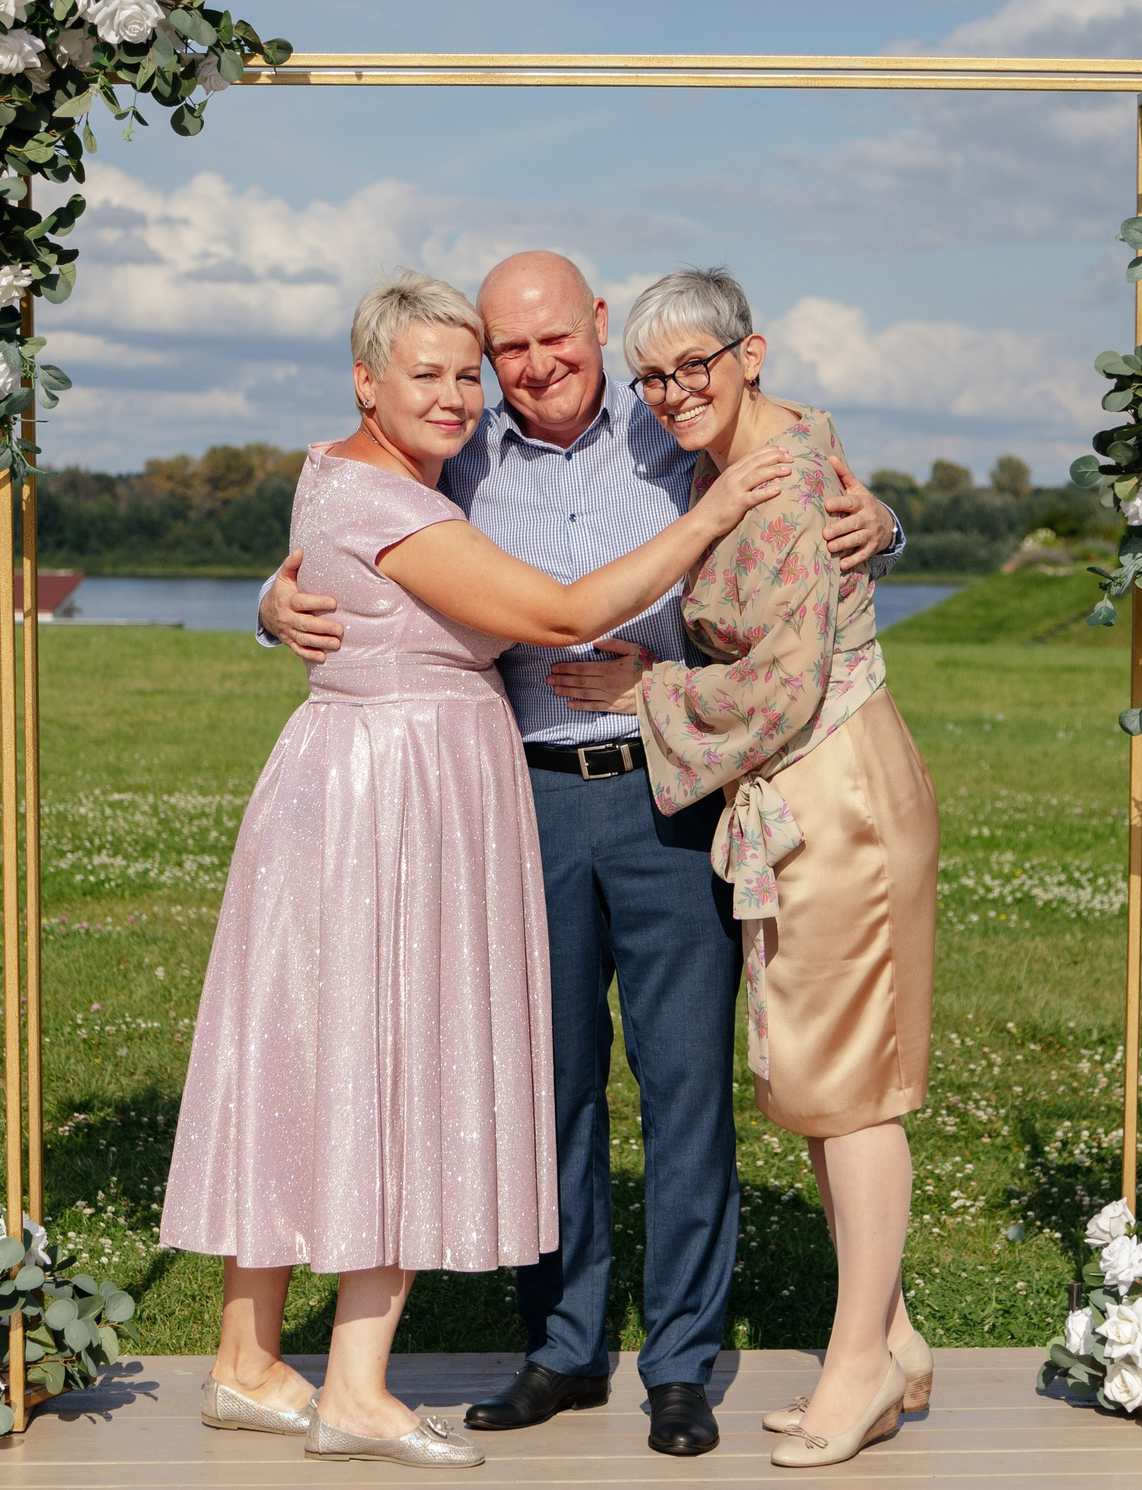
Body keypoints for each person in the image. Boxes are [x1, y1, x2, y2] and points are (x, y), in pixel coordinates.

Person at [257, 251, 903, 1458]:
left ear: (598, 326)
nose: (535, 365)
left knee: (683, 1087)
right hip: (521, 802)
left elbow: (816, 507)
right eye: (511, 349)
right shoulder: (458, 449)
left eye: (556, 338)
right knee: (542, 1084)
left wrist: (888, 521)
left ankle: (679, 1361)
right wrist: (266, 600)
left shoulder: (679, 429)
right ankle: (559, 1346)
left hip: (669, 794)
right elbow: (347, 514)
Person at [560, 267, 938, 1470]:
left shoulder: (786, 484)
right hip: (803, 792)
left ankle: (859, 1368)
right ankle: (896, 1340)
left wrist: (647, 692)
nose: (673, 392)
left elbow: (784, 683)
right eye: (653, 375)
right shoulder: (764, 448)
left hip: (834, 788)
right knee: (821, 1080)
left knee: (851, 1087)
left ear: (752, 353)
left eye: (695, 368)